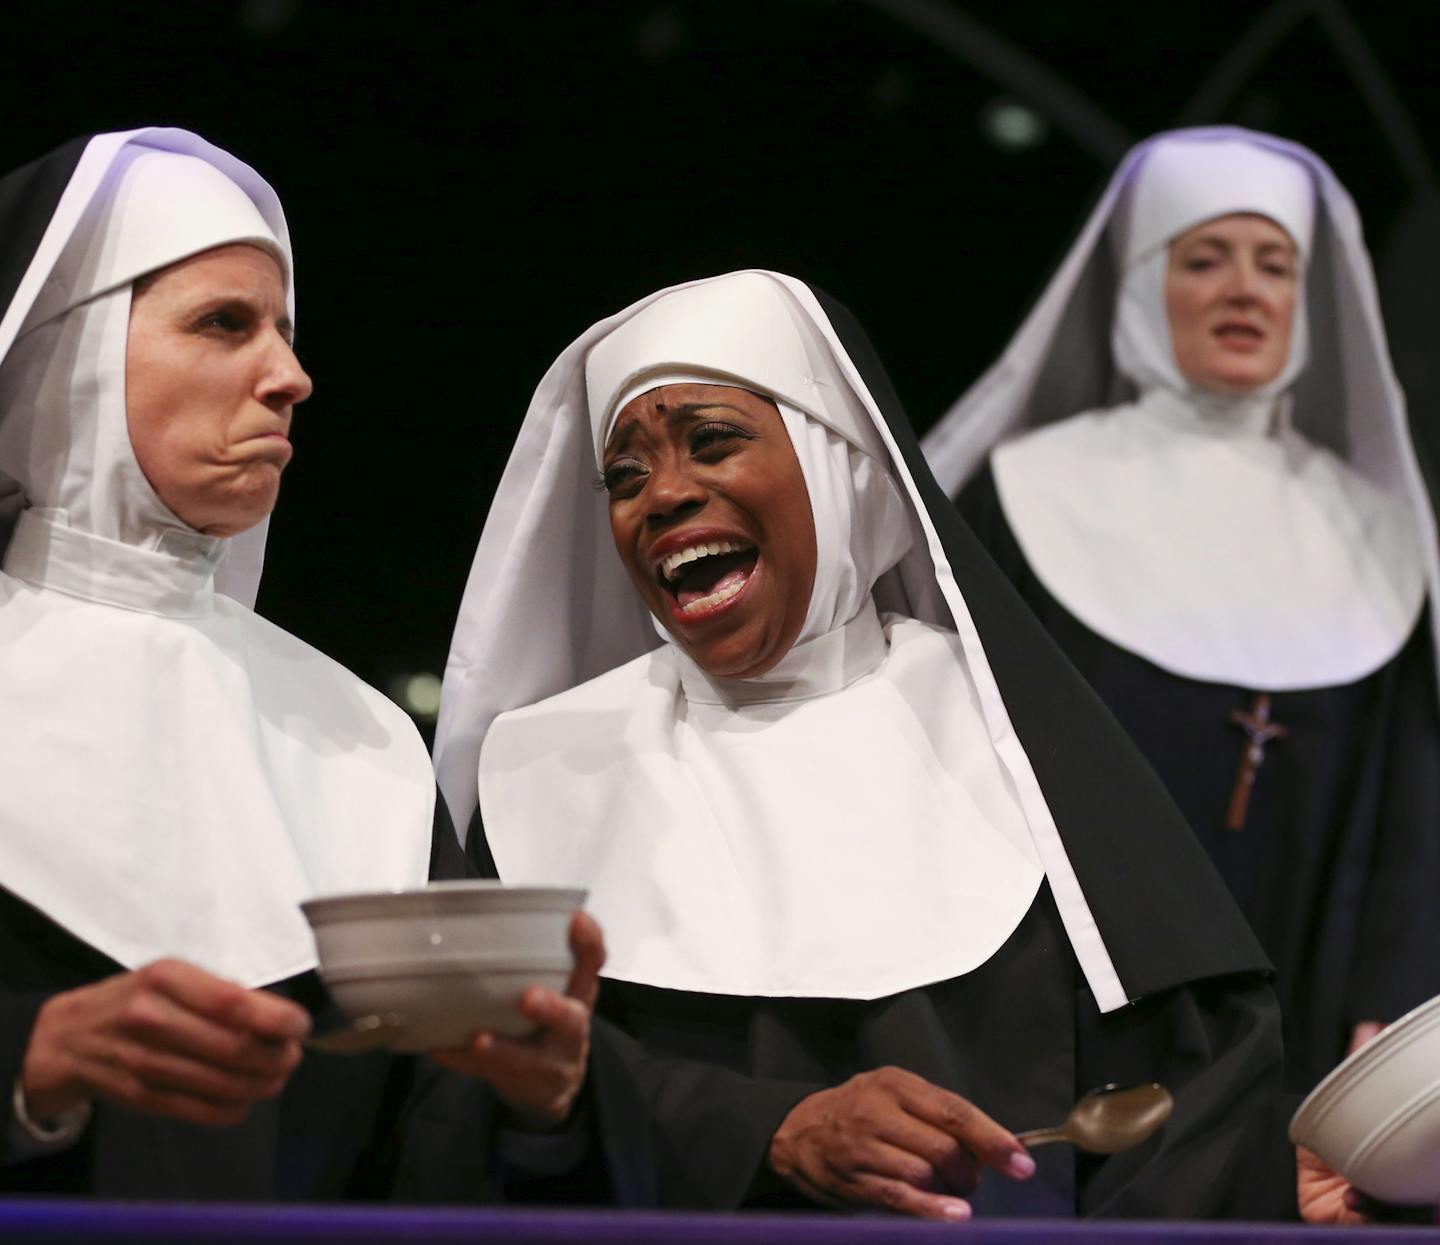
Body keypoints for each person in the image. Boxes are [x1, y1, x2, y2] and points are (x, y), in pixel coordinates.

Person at [430, 269, 1329, 1220]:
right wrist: (769, 1131)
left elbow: (1190, 1095)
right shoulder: (542, 777)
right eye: (625, 474)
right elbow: (480, 1112)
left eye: (713, 440)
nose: (663, 495)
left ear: (844, 466)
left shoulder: (1015, 744)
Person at [0, 128, 600, 1200]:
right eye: (225, 324)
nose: (291, 376)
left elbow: (425, 1148)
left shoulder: (361, 739)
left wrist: (539, 1107)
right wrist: (25, 1065)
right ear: (68, 357)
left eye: (284, 329)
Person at [922, 127, 1440, 1096]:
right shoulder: (1029, 492)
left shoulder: (1378, 534)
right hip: (1060, 1012)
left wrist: (1399, 1000)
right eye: (1205, 259)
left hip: (1308, 1022)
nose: (1246, 290)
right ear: (1141, 285)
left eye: (1276, 265)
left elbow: (1412, 805)